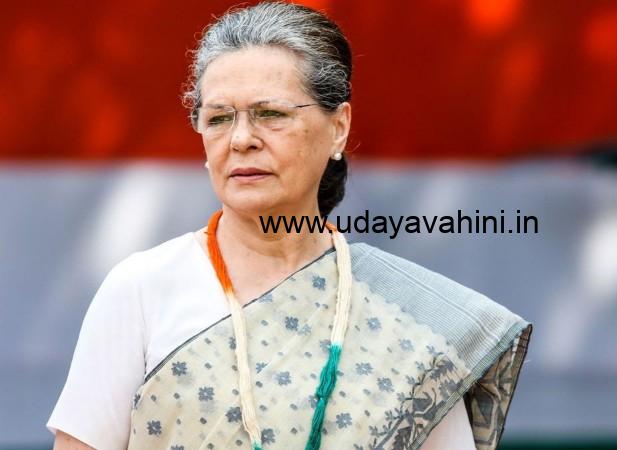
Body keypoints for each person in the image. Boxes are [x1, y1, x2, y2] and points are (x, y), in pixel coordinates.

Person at [47, 2, 532, 449]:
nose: (241, 139)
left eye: (270, 114)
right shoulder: (143, 290)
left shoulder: (413, 320)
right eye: (218, 119)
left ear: (338, 128)